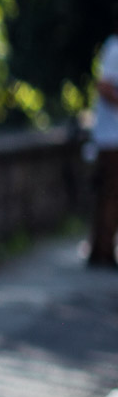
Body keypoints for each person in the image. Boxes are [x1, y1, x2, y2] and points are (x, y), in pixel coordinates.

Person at [89, 16, 118, 267]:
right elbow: (104, 85)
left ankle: (102, 249)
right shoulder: (115, 48)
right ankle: (103, 251)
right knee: (110, 194)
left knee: (108, 194)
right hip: (111, 138)